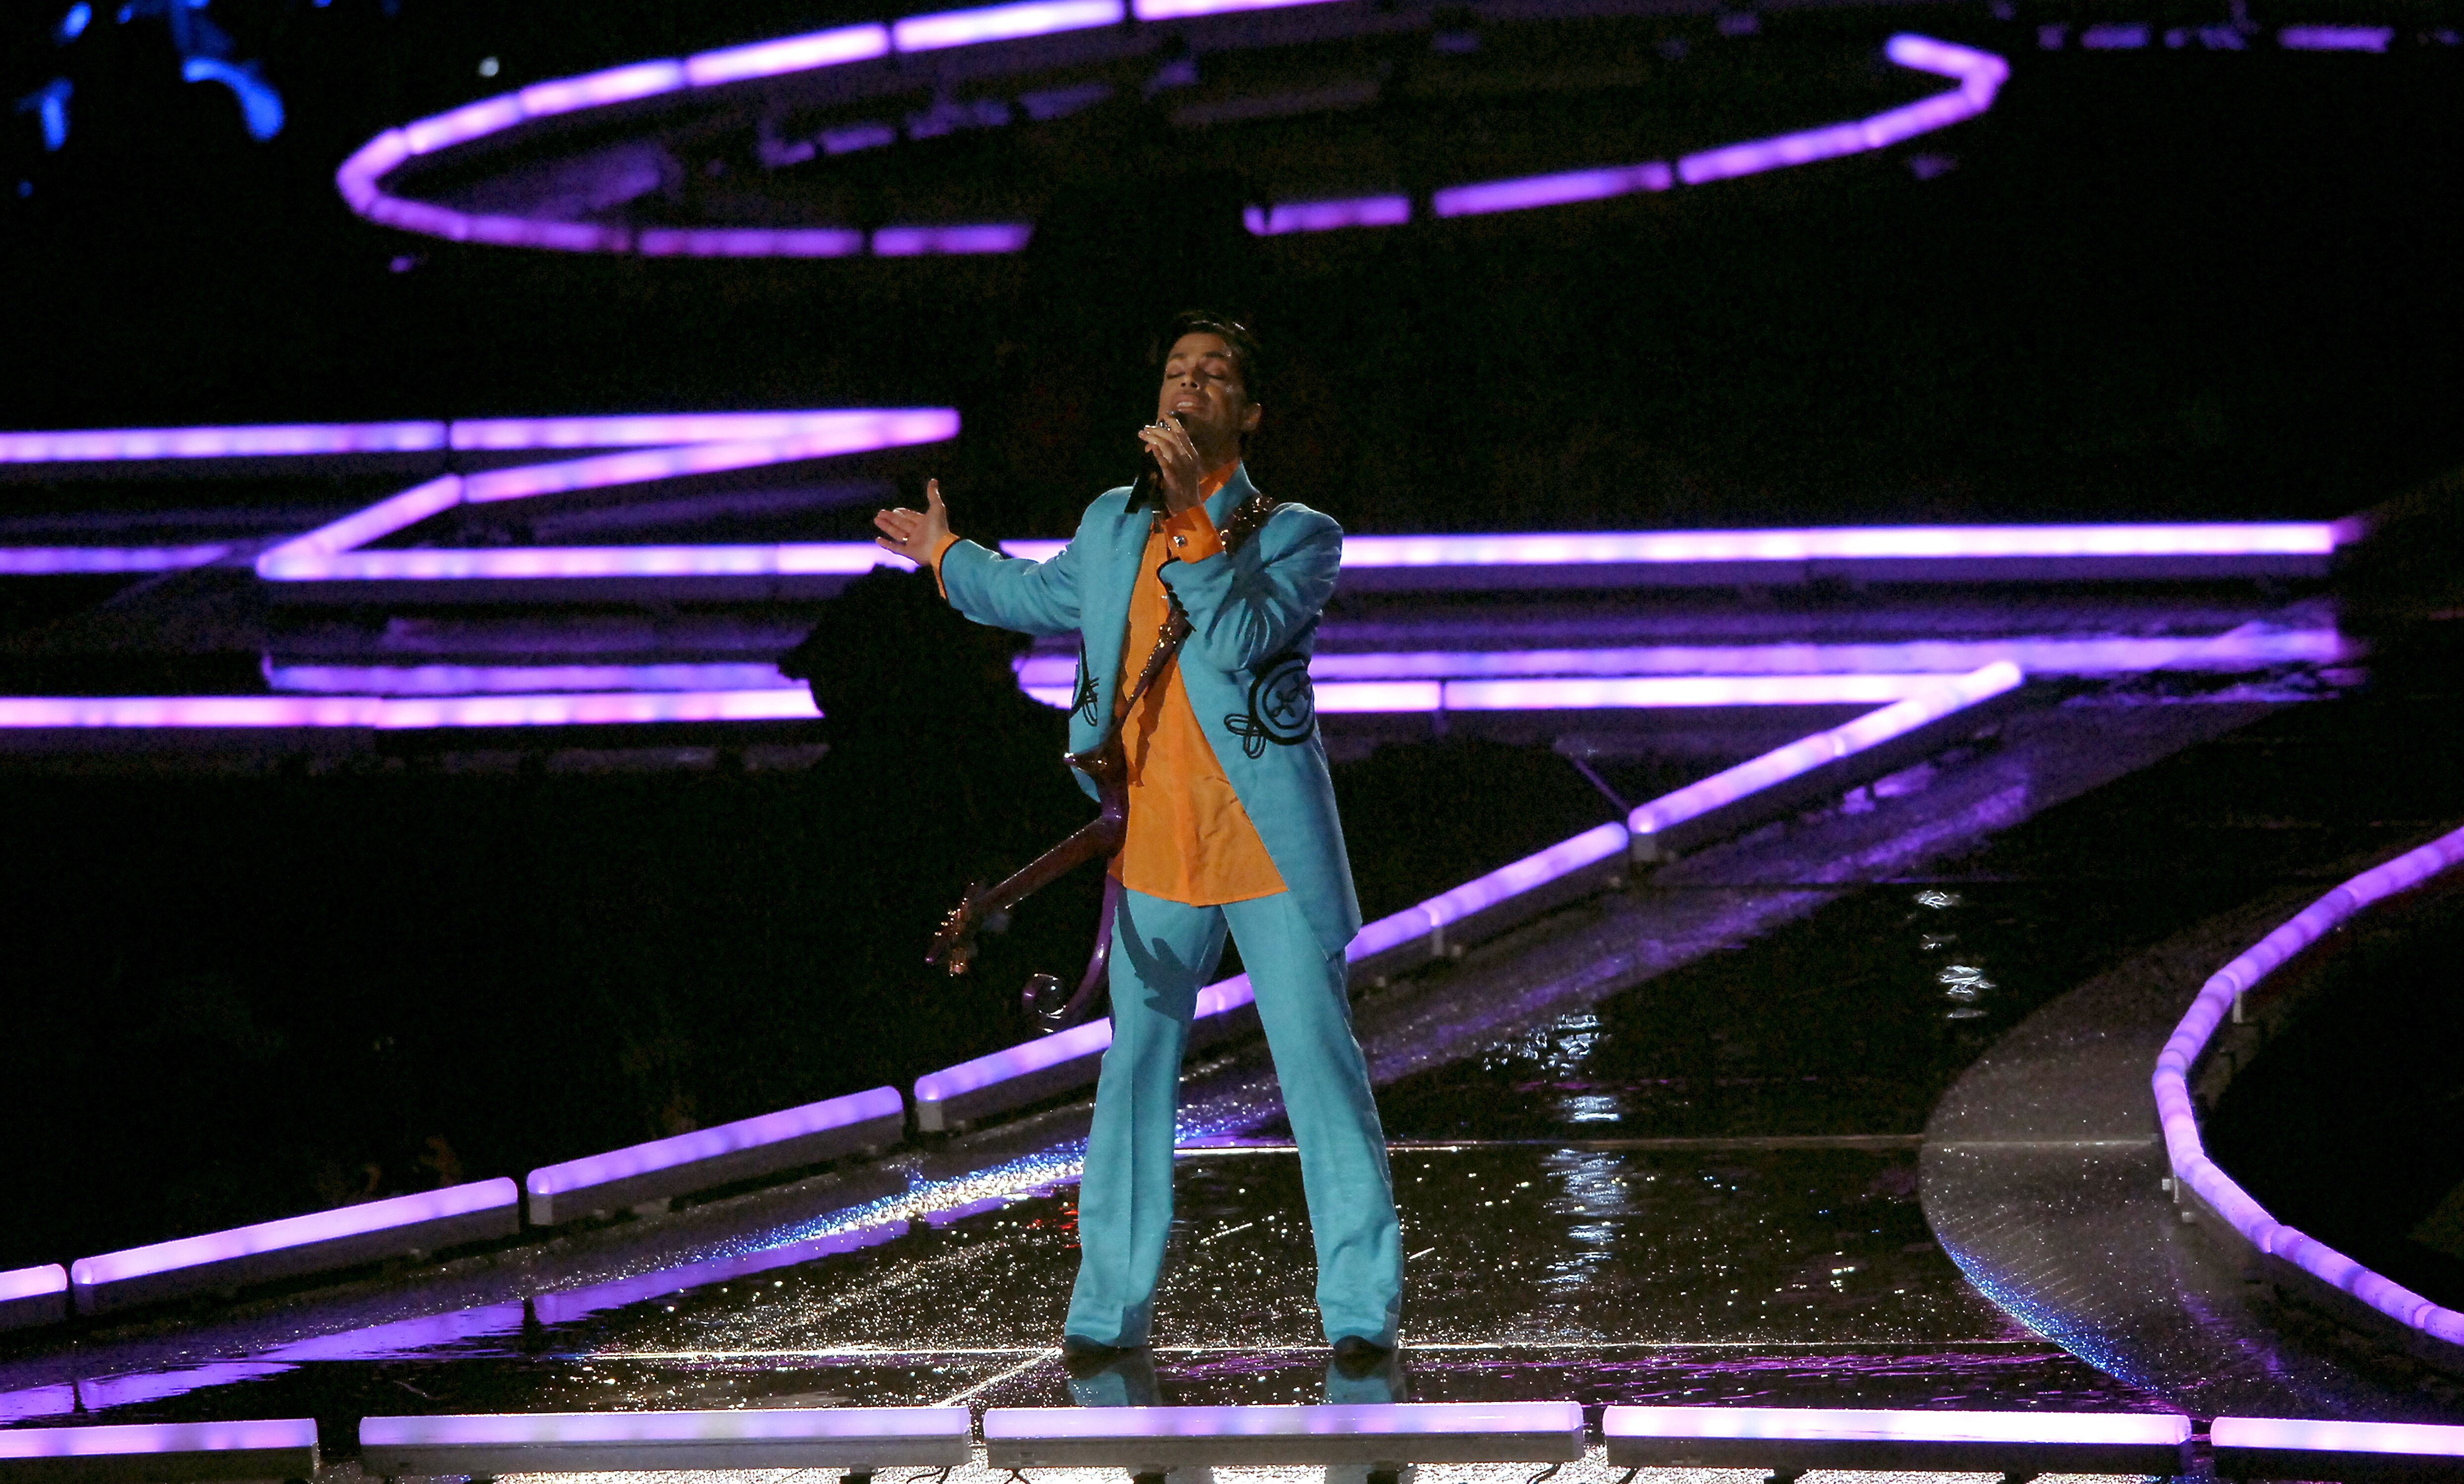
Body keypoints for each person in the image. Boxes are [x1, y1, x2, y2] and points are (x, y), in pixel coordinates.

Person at [872, 312, 1404, 1373]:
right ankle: (1106, 1311)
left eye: (1213, 377)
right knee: (1132, 1079)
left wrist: (1200, 515)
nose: (1188, 387)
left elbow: (1248, 638)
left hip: (1267, 847)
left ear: (1246, 413)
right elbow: (1033, 596)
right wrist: (946, 557)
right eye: (1175, 371)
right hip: (1152, 842)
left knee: (1319, 1075)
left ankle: (1358, 1307)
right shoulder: (1112, 528)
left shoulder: (1299, 533)